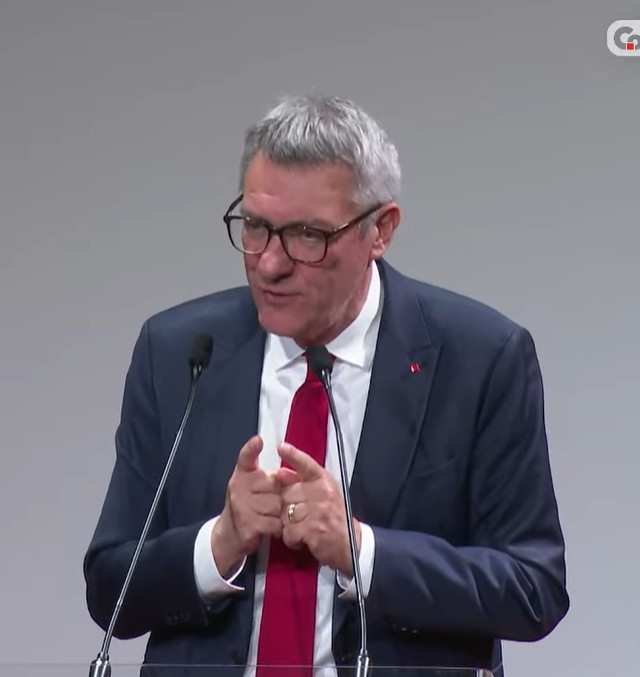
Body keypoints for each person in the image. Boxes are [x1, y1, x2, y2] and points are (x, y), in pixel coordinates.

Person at [83, 94, 569, 677]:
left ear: (380, 230)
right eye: (256, 227)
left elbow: (533, 588)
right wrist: (219, 543)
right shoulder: (179, 353)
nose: (270, 264)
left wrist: (363, 552)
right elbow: (109, 587)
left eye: (307, 236)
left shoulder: (480, 358)